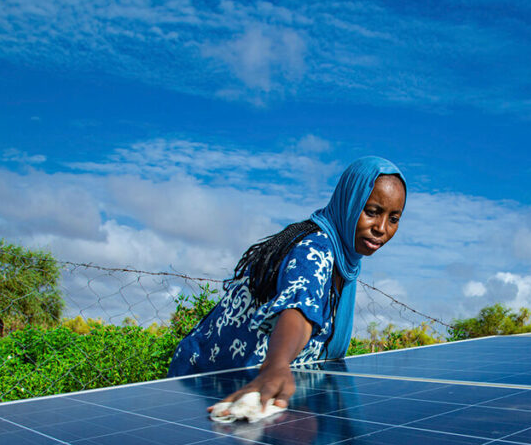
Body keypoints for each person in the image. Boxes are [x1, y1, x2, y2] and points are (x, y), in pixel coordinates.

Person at [166, 156, 406, 415]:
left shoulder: (345, 260)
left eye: (394, 219)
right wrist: (277, 363)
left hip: (250, 384)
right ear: (349, 201)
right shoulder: (314, 250)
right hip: (203, 380)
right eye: (371, 212)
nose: (381, 228)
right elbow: (299, 310)